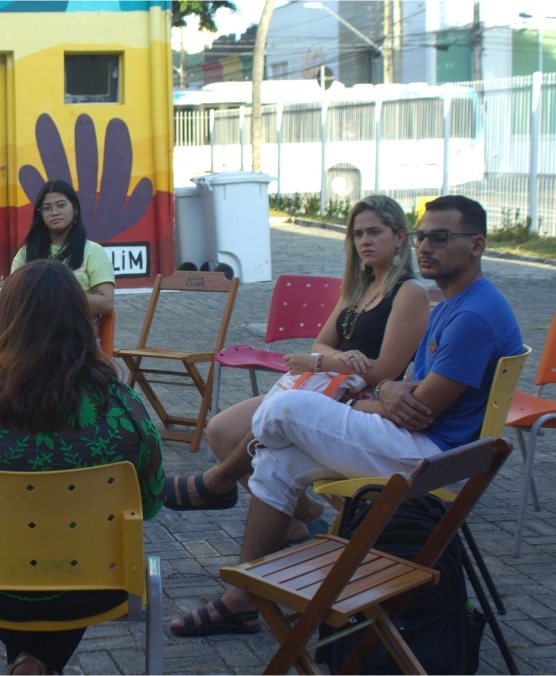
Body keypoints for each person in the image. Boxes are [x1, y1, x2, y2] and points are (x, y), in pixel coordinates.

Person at [169, 195, 523, 637]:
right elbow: (408, 385)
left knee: (288, 407)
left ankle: (218, 483)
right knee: (277, 459)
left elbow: (420, 412)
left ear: (477, 245)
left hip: (435, 460)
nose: (427, 246)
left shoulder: (473, 315)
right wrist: (390, 390)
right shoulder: (455, 303)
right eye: (423, 236)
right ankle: (243, 601)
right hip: (427, 445)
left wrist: (360, 402)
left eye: (441, 237)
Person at [0, 259, 164, 675]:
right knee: (58, 568)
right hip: (96, 590)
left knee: (17, 563)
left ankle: (27, 659)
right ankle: (39, 661)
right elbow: (151, 504)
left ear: (6, 321)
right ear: (81, 320)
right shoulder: (124, 407)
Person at [165, 195, 429, 543]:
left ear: (398, 237)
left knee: (255, 437)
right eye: (357, 233)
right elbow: (320, 342)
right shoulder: (361, 286)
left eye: (374, 232)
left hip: (359, 400)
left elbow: (383, 371)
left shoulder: (409, 291)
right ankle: (304, 517)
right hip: (323, 383)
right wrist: (337, 358)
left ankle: (226, 490)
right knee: (221, 430)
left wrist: (321, 362)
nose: (364, 240)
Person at [11, 179, 114, 318]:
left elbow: (106, 303)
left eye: (61, 205)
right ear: (40, 215)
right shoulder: (25, 253)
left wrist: (56, 299)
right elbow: (12, 297)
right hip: (33, 333)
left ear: (75, 209)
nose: (54, 212)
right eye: (47, 208)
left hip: (78, 336)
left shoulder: (93, 251)